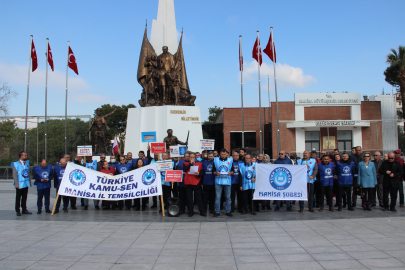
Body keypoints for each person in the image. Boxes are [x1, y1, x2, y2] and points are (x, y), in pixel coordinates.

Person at [212, 148, 234, 217]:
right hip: (218, 181)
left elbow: (233, 171)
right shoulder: (216, 160)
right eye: (222, 154)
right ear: (220, 154)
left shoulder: (230, 160)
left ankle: (228, 211)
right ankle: (217, 211)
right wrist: (216, 173)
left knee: (228, 197)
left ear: (226, 154)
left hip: (227, 181)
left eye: (224, 154)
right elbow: (213, 171)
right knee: (218, 197)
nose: (223, 155)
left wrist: (231, 173)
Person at [182, 152, 205, 217]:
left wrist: (199, 174)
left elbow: (202, 174)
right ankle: (191, 211)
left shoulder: (199, 164)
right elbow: (185, 170)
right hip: (188, 183)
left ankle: (202, 211)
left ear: (195, 158)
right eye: (191, 157)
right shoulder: (185, 164)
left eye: (193, 157)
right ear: (189, 158)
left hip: (196, 183)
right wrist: (190, 164)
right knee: (189, 198)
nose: (192, 158)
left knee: (199, 198)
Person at [12, 151, 32, 216]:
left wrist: (29, 181)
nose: (26, 156)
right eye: (25, 155)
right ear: (21, 156)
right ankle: (17, 210)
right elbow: (14, 174)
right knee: (18, 197)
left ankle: (24, 209)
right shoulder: (16, 164)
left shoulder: (26, 163)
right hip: (19, 184)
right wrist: (16, 183)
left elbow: (28, 173)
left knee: (24, 197)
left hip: (25, 183)